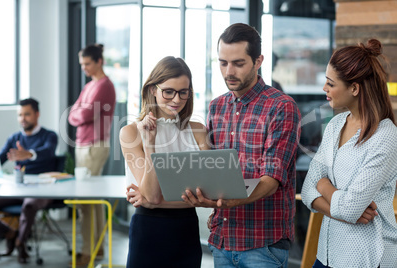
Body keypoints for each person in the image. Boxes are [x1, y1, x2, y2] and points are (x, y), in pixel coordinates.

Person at [182, 23, 301, 267]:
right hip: (223, 240)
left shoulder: (281, 107)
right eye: (223, 63)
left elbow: (271, 180)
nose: (229, 71)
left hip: (263, 245)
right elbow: (213, 170)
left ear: (258, 61)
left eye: (238, 63)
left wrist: (229, 200)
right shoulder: (216, 107)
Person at [301, 39, 397, 268]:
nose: (324, 88)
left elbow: (351, 206)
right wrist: (344, 209)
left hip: (367, 258)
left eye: (330, 83)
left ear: (354, 88)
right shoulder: (335, 125)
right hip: (326, 255)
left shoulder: (385, 135)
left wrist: (323, 185)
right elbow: (306, 190)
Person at [120, 56, 209, 268]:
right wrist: (150, 144)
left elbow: (207, 194)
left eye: (183, 92)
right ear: (153, 89)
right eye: (168, 91)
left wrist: (156, 200)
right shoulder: (131, 132)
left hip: (186, 230)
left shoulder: (197, 131)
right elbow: (151, 194)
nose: (176, 99)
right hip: (149, 231)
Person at [68, 43, 116, 266]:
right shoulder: (90, 86)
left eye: (87, 63)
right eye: (82, 64)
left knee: (87, 200)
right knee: (93, 200)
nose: (84, 68)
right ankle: (97, 248)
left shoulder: (104, 86)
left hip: (93, 146)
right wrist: (78, 113)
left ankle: (89, 250)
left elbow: (83, 114)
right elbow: (73, 114)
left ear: (99, 61)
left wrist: (78, 113)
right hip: (83, 146)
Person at [0, 97, 58, 263]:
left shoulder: (49, 136)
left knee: (29, 205)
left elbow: (48, 152)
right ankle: (8, 232)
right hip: (18, 187)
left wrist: (29, 154)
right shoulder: (14, 138)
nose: (23, 118)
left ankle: (20, 243)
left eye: (27, 114)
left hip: (42, 188)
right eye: (20, 115)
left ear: (37, 114)